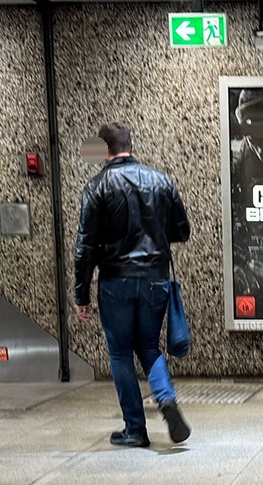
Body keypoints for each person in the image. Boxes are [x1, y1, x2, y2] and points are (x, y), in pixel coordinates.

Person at [73, 122, 192, 448]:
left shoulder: (96, 186)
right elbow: (182, 231)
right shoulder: (161, 181)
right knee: (149, 346)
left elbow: (85, 246)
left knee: (121, 352)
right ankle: (165, 398)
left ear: (103, 150)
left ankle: (135, 429)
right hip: (155, 279)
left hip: (116, 282)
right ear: (131, 145)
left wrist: (81, 295)